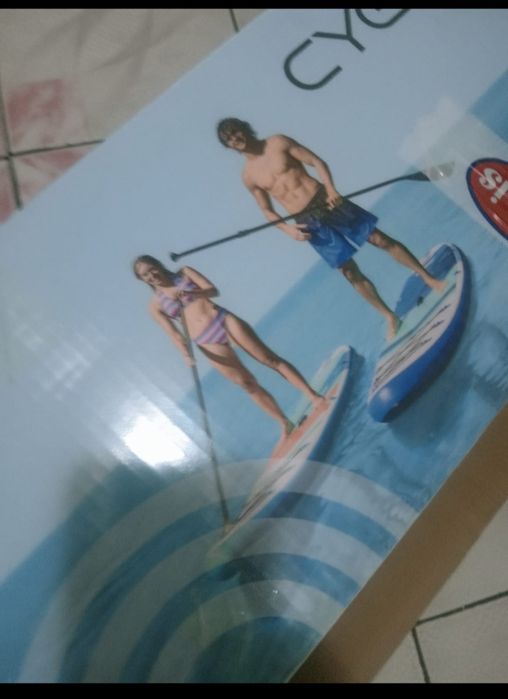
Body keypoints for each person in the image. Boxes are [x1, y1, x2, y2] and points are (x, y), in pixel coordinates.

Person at [217, 117, 446, 340]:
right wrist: (288, 230)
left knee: (379, 240)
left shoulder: (277, 143)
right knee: (348, 271)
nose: (234, 138)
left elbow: (316, 162)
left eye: (235, 132)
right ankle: (389, 317)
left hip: (325, 199)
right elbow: (267, 210)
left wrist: (331, 189)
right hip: (306, 221)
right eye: (228, 138)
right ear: (228, 146)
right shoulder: (248, 176)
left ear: (244, 129)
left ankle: (429, 279)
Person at [133, 255, 325, 440]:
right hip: (205, 341)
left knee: (269, 359)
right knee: (246, 383)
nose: (151, 275)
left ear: (158, 264)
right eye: (145, 275)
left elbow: (213, 291)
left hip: (222, 319)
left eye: (152, 269)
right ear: (142, 280)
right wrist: (186, 354)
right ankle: (284, 422)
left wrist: (191, 293)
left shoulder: (184, 273)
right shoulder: (155, 306)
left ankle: (313, 396)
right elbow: (174, 335)